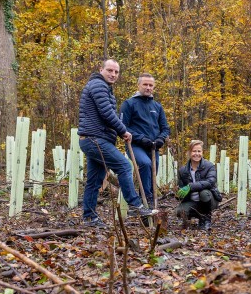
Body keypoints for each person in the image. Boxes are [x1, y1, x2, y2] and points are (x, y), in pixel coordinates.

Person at [78, 59, 156, 228]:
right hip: (94, 139)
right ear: (101, 70)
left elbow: (105, 114)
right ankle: (135, 206)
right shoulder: (98, 86)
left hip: (94, 139)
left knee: (94, 180)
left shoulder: (103, 87)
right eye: (110, 70)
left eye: (116, 72)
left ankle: (89, 217)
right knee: (124, 166)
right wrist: (123, 131)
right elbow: (107, 113)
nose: (113, 74)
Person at [120, 73, 170, 206]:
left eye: (151, 85)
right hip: (136, 145)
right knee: (145, 164)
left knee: (153, 172)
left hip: (153, 147)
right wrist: (141, 138)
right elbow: (123, 126)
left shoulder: (157, 106)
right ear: (139, 85)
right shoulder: (129, 104)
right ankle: (145, 198)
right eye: (145, 84)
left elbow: (165, 128)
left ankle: (152, 203)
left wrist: (161, 138)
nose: (148, 88)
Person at [176, 140, 222, 231]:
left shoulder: (209, 166)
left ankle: (206, 218)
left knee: (204, 193)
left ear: (202, 152)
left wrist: (190, 186)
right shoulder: (183, 170)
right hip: (193, 201)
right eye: (194, 151)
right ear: (189, 153)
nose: (196, 154)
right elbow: (181, 190)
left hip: (209, 199)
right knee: (179, 211)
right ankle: (197, 215)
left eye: (199, 151)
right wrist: (179, 193)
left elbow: (210, 182)